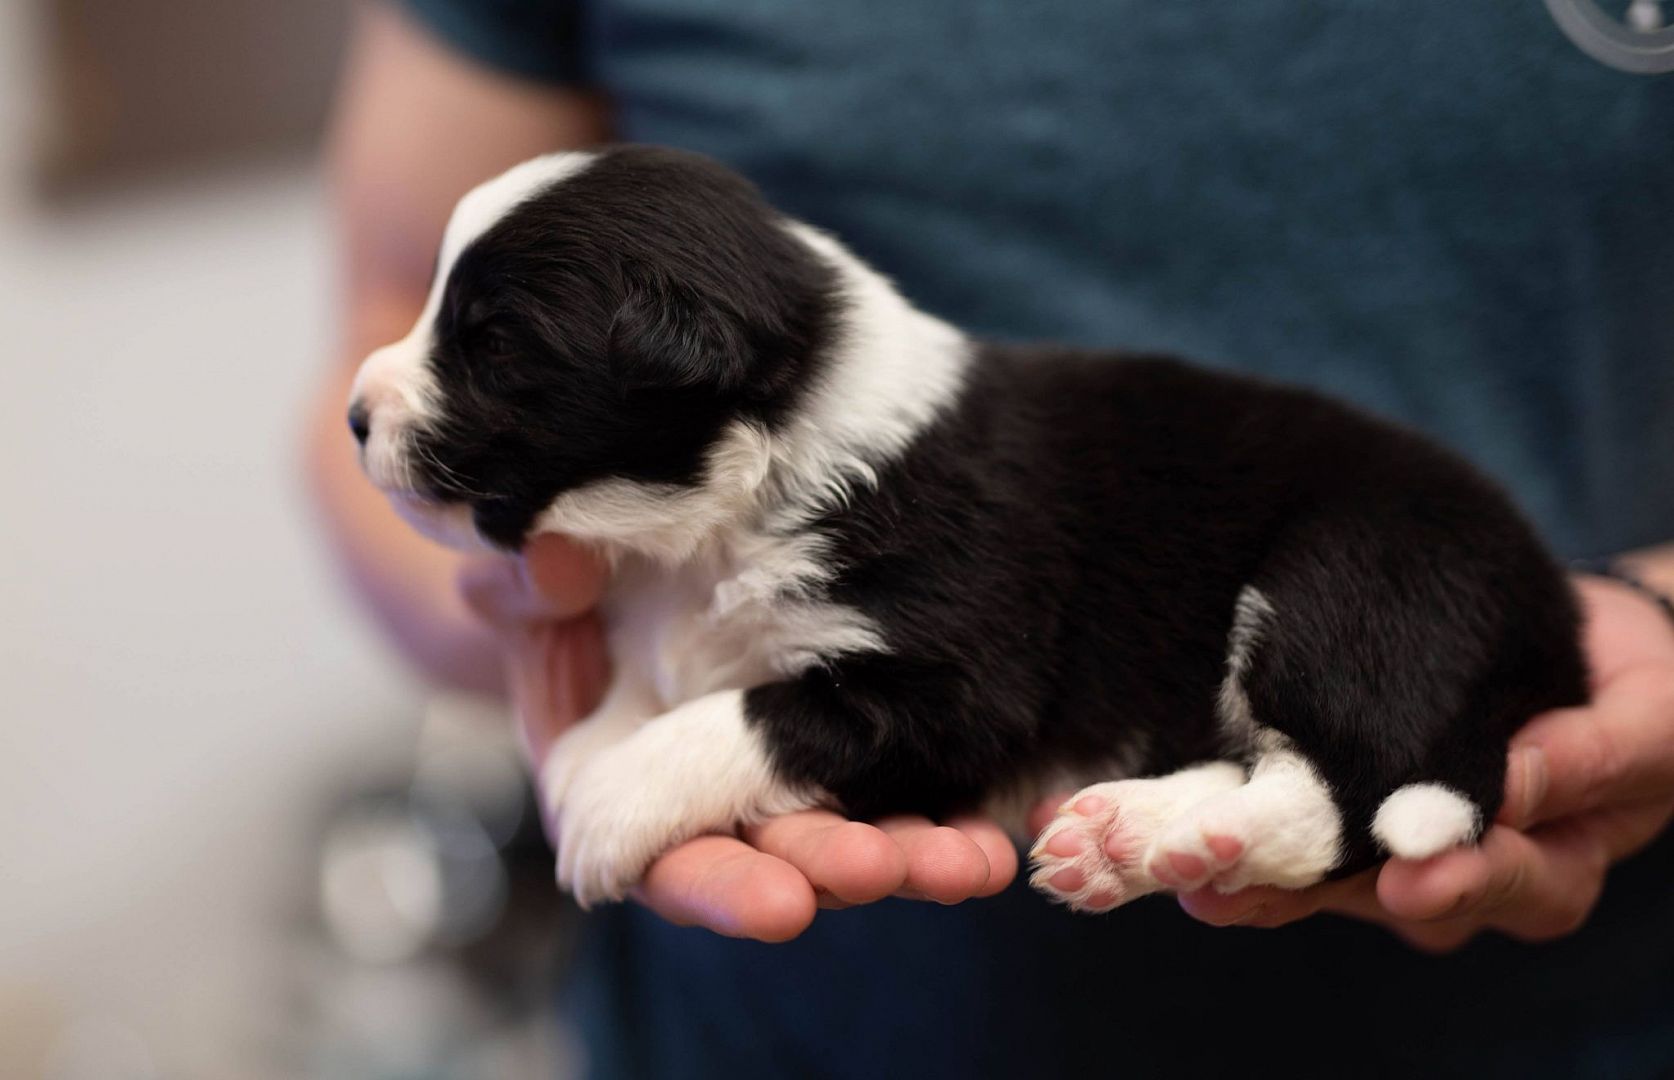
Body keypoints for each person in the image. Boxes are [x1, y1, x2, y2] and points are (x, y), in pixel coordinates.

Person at [306, 1, 1674, 1074]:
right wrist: (529, 627)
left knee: (1341, 606)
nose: (395, 385)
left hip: (1545, 1008)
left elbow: (939, 712)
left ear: (707, 385)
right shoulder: (754, 440)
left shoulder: (903, 506)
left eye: (489, 350)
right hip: (786, 1035)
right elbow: (374, 302)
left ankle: (1324, 797)